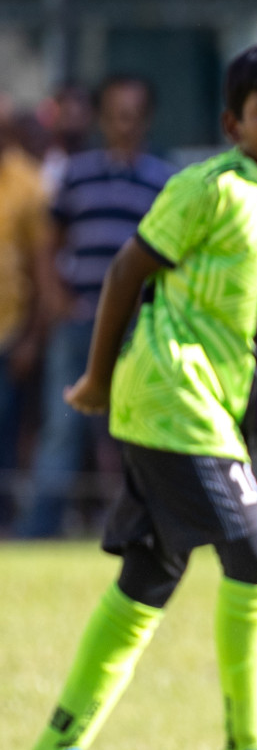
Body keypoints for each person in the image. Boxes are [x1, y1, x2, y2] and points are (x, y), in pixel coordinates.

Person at [9, 42, 257, 750]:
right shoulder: (206, 188)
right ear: (231, 122)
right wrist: (99, 377)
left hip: (204, 407)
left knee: (148, 579)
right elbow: (125, 272)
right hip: (170, 396)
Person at [18, 76, 175, 539]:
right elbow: (49, 243)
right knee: (63, 425)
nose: (124, 124)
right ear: (103, 118)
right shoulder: (76, 173)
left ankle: (139, 528)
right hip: (81, 318)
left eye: (133, 114)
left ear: (146, 118)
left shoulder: (162, 178)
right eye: (115, 113)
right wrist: (55, 298)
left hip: (136, 326)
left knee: (135, 429)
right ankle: (41, 530)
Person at [0, 113, 64, 528]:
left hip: (10, 333)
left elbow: (44, 273)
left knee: (5, 435)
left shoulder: (27, 183)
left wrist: (33, 340)